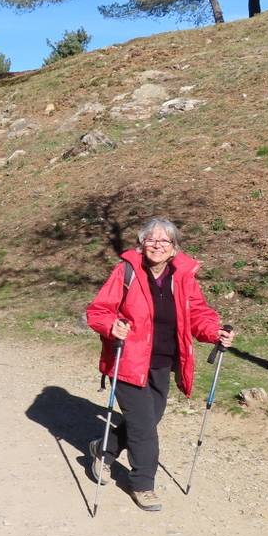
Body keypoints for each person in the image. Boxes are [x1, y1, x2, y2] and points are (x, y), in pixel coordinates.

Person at [85, 216, 234, 512]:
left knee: (149, 418)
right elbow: (98, 310)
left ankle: (105, 448)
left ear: (174, 248)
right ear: (142, 244)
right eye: (150, 240)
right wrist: (112, 325)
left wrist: (214, 331)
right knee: (144, 428)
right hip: (128, 360)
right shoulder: (126, 271)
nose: (157, 245)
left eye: (164, 241)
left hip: (163, 363)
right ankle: (142, 484)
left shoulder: (183, 277)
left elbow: (198, 314)